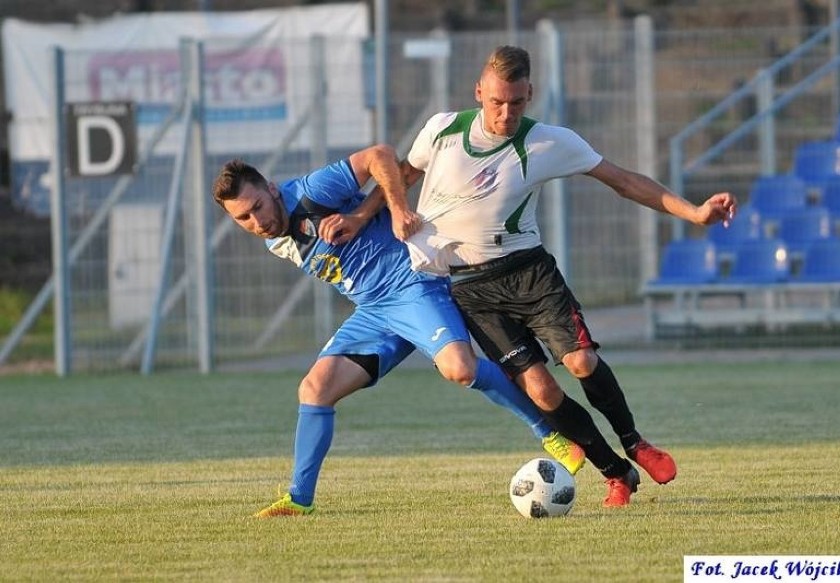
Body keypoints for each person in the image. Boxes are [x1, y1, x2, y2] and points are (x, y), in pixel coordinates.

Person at [390, 45, 738, 507]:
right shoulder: (441, 130)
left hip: (529, 273)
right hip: (472, 289)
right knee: (541, 388)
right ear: (479, 92)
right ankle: (616, 473)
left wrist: (694, 213)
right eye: (496, 102)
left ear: (530, 93)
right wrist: (369, 214)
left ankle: (635, 442)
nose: (506, 113)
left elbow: (624, 180)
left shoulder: (549, 142)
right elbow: (401, 175)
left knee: (581, 363)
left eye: (516, 102)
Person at [210, 146, 586, 518]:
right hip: (374, 311)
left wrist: (389, 210)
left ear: (272, 189)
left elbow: (380, 155)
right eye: (243, 218)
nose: (256, 222)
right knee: (314, 389)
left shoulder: (312, 193)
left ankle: (550, 432)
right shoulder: (275, 238)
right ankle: (299, 498)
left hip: (412, 284)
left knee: (461, 369)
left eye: (257, 206)